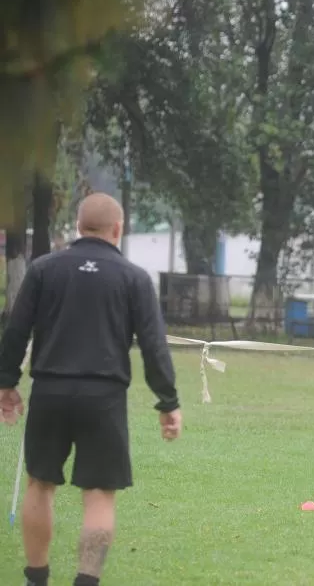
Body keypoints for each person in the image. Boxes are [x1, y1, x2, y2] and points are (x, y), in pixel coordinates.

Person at [0, 192, 182, 586]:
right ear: (118, 229)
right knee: (99, 493)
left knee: (40, 482)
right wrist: (168, 401)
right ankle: (86, 581)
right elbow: (154, 345)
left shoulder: (43, 269)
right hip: (104, 398)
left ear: (79, 226)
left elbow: (15, 331)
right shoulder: (134, 278)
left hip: (50, 390)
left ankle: (37, 578)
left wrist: (6, 383)